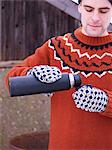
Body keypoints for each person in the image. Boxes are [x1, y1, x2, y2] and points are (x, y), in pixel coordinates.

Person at [5, 0, 112, 149]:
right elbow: (11, 79)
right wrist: (34, 75)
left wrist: (106, 102)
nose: (95, 17)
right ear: (79, 7)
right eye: (89, 9)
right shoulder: (56, 48)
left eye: (103, 11)